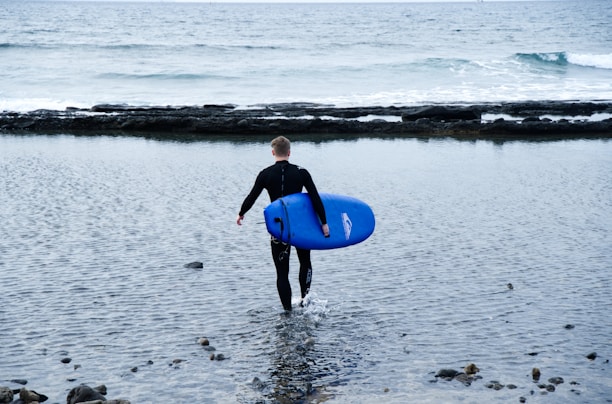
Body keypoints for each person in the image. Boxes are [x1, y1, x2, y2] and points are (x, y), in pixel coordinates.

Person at [237, 136, 329, 311]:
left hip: (279, 229)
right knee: (305, 262)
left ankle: (287, 312)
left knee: (281, 272)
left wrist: (241, 213)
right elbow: (315, 199)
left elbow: (251, 197)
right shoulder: (302, 172)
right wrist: (324, 223)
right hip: (300, 227)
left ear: (273, 153)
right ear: (289, 152)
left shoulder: (265, 174)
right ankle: (305, 301)